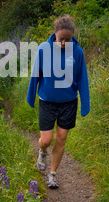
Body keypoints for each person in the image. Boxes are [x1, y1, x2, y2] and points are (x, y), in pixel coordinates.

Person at [26, 15, 90, 188]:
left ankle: (52, 174)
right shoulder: (43, 49)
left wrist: (85, 103)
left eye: (68, 40)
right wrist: (30, 96)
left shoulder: (78, 52)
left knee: (61, 139)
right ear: (54, 34)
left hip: (69, 102)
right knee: (46, 139)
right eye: (61, 39)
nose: (64, 43)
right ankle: (42, 151)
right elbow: (35, 75)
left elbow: (82, 78)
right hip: (47, 101)